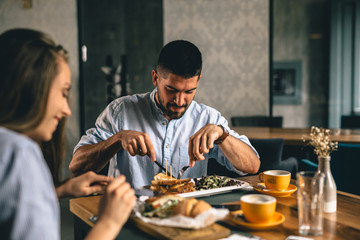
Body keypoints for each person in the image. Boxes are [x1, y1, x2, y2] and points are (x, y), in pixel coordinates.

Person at [0, 28, 136, 239]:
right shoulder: (19, 153)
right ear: (30, 88)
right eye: (63, 93)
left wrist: (58, 191)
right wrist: (109, 222)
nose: (67, 110)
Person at [69, 40, 260, 188]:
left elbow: (253, 166)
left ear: (198, 81)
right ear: (155, 78)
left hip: (185, 221)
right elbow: (76, 167)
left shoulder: (208, 119)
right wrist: (117, 139)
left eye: (189, 92)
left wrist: (222, 134)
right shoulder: (120, 111)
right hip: (128, 218)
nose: (179, 101)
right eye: (171, 89)